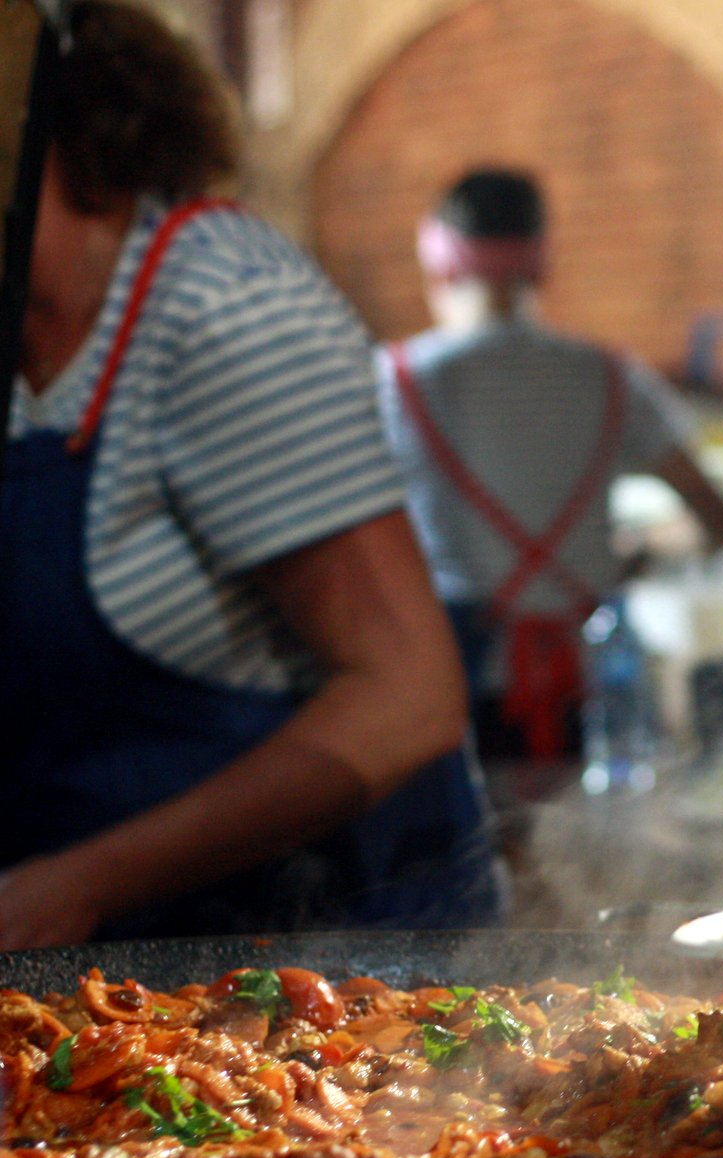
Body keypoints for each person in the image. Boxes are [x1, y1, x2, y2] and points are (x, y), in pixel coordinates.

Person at [0, 0, 504, 946]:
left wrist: (77, 885)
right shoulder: (24, 357)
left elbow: (408, 698)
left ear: (63, 134)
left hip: (329, 966)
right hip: (109, 966)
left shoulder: (225, 306)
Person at [377, 169, 723, 759]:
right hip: (596, 692)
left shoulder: (394, 384)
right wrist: (636, 553)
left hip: (445, 691)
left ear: (442, 264)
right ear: (541, 262)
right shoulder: (614, 378)